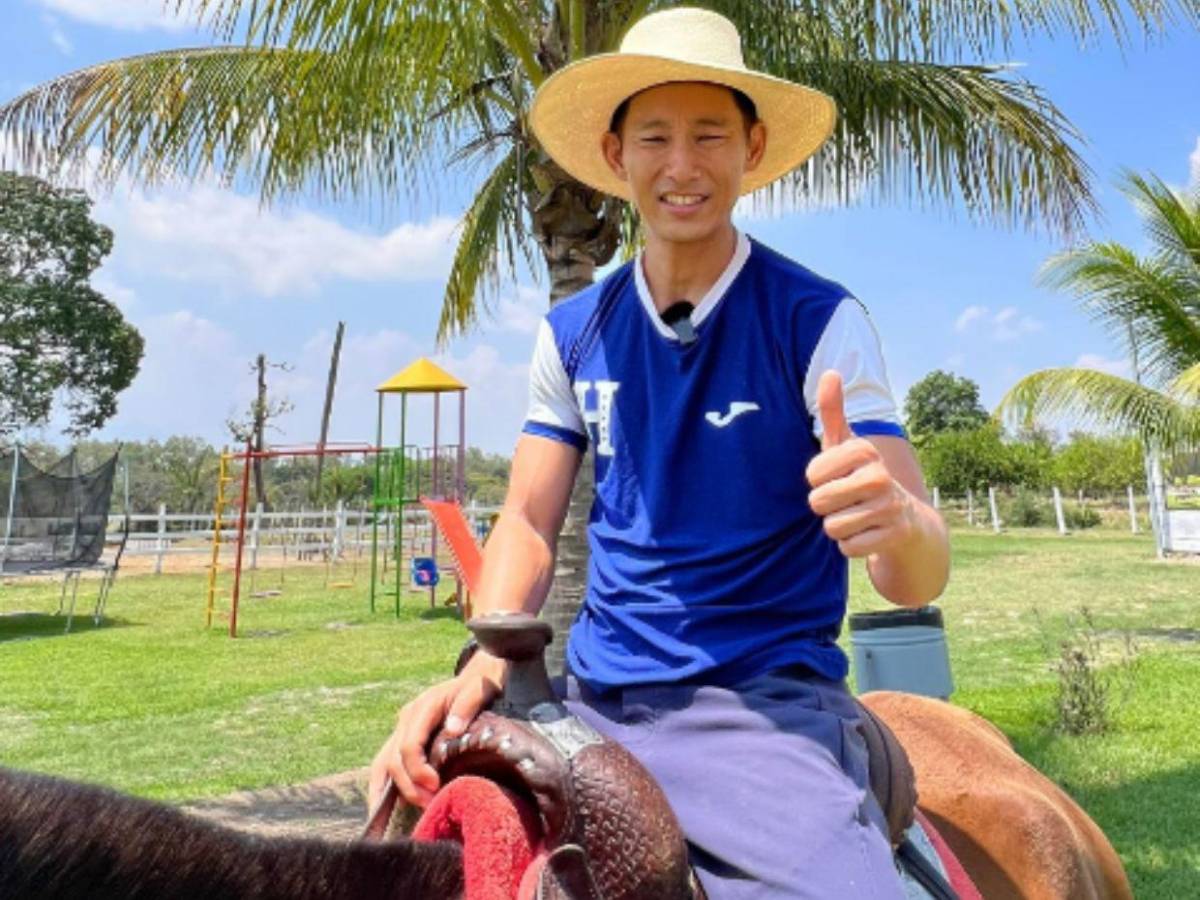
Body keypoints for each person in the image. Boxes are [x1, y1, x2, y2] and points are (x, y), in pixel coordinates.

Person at [370, 8, 950, 898]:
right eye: (656, 137)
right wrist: (487, 658)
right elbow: (527, 518)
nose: (683, 166)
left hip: (763, 712)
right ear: (615, 156)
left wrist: (896, 520)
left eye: (710, 134)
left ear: (753, 149)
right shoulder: (572, 332)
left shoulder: (818, 322)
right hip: (588, 698)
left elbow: (915, 577)